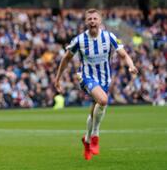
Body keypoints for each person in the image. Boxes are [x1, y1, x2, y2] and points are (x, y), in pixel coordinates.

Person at [54, 9, 138, 160]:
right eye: (89, 19)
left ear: (100, 21)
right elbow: (66, 59)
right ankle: (95, 136)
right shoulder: (79, 40)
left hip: (104, 79)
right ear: (86, 22)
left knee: (95, 110)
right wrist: (58, 78)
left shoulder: (109, 37)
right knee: (103, 100)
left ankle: (86, 140)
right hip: (86, 76)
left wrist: (131, 66)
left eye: (95, 18)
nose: (92, 21)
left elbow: (124, 55)